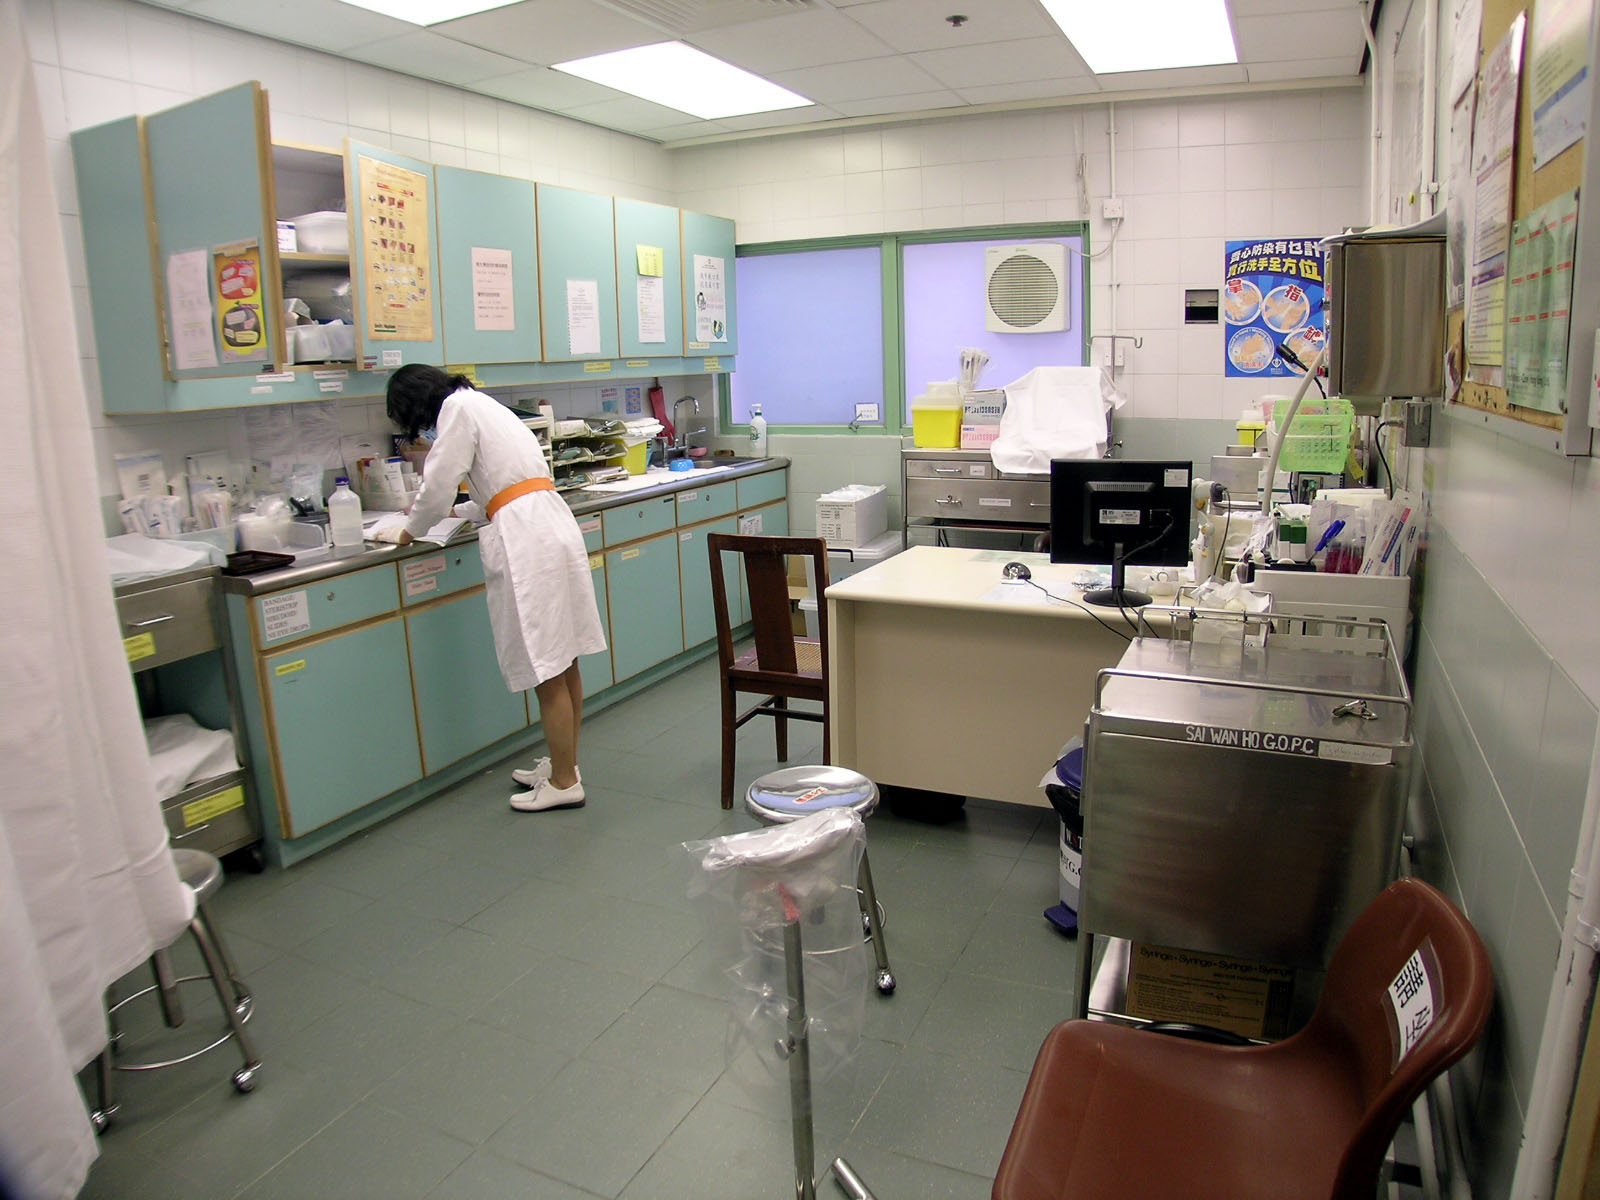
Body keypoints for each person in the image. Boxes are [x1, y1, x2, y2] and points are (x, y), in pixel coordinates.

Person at [387, 365, 606, 812]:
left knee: (545, 665)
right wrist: (473, 510)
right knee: (564, 659)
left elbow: (437, 485)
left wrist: (408, 530)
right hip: (548, 521)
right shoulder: (482, 403)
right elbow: (504, 482)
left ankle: (565, 783)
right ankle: (566, 764)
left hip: (528, 537)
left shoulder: (456, 409)